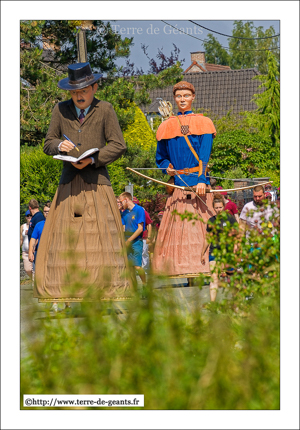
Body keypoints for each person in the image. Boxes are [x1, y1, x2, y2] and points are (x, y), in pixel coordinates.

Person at [35, 62, 129, 302]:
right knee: (66, 239)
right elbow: (48, 143)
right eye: (75, 92)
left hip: (97, 182)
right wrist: (59, 145)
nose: (79, 96)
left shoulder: (105, 109)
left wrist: (94, 159)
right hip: (68, 185)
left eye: (84, 91)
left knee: (101, 237)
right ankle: (64, 293)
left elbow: (118, 144)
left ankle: (104, 291)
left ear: (94, 87)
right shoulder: (60, 110)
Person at [153, 80, 217, 277]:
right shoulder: (166, 126)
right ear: (174, 99)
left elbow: (204, 155)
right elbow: (160, 157)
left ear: (193, 97)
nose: (182, 99)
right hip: (178, 187)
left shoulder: (204, 123)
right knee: (177, 228)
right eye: (179, 96)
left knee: (203, 227)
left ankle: (206, 266)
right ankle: (176, 269)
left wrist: (201, 179)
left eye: (186, 95)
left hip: (198, 185)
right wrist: (167, 168)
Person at [200, 194, 238, 301]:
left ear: (224, 207)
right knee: (214, 278)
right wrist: (202, 253)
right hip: (214, 252)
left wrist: (235, 248)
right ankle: (212, 303)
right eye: (216, 208)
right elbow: (208, 238)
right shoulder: (211, 221)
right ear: (213, 208)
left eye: (220, 207)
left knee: (231, 277)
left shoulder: (230, 219)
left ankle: (235, 301)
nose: (218, 210)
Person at [119, 192, 146, 286]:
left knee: (137, 266)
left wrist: (129, 240)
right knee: (130, 268)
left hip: (136, 242)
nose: (120, 204)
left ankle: (145, 285)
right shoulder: (124, 213)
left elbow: (140, 229)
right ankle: (134, 289)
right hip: (126, 243)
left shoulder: (139, 210)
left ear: (126, 199)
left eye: (121, 201)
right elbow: (123, 228)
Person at [20, 210, 33, 278]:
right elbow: (21, 239)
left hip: (33, 250)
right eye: (28, 216)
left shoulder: (34, 225)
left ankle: (35, 282)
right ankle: (33, 279)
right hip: (25, 251)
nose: (29, 217)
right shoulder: (23, 226)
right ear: (26, 217)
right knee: (27, 269)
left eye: (31, 215)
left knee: (34, 269)